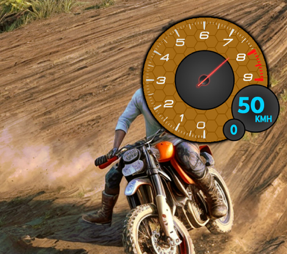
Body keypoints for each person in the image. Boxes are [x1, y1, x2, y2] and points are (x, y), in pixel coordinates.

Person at [82, 88, 228, 225]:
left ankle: (214, 198)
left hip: (181, 138)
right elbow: (124, 120)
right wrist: (115, 148)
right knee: (115, 171)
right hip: (153, 142)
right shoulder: (140, 95)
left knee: (187, 157)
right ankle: (105, 213)